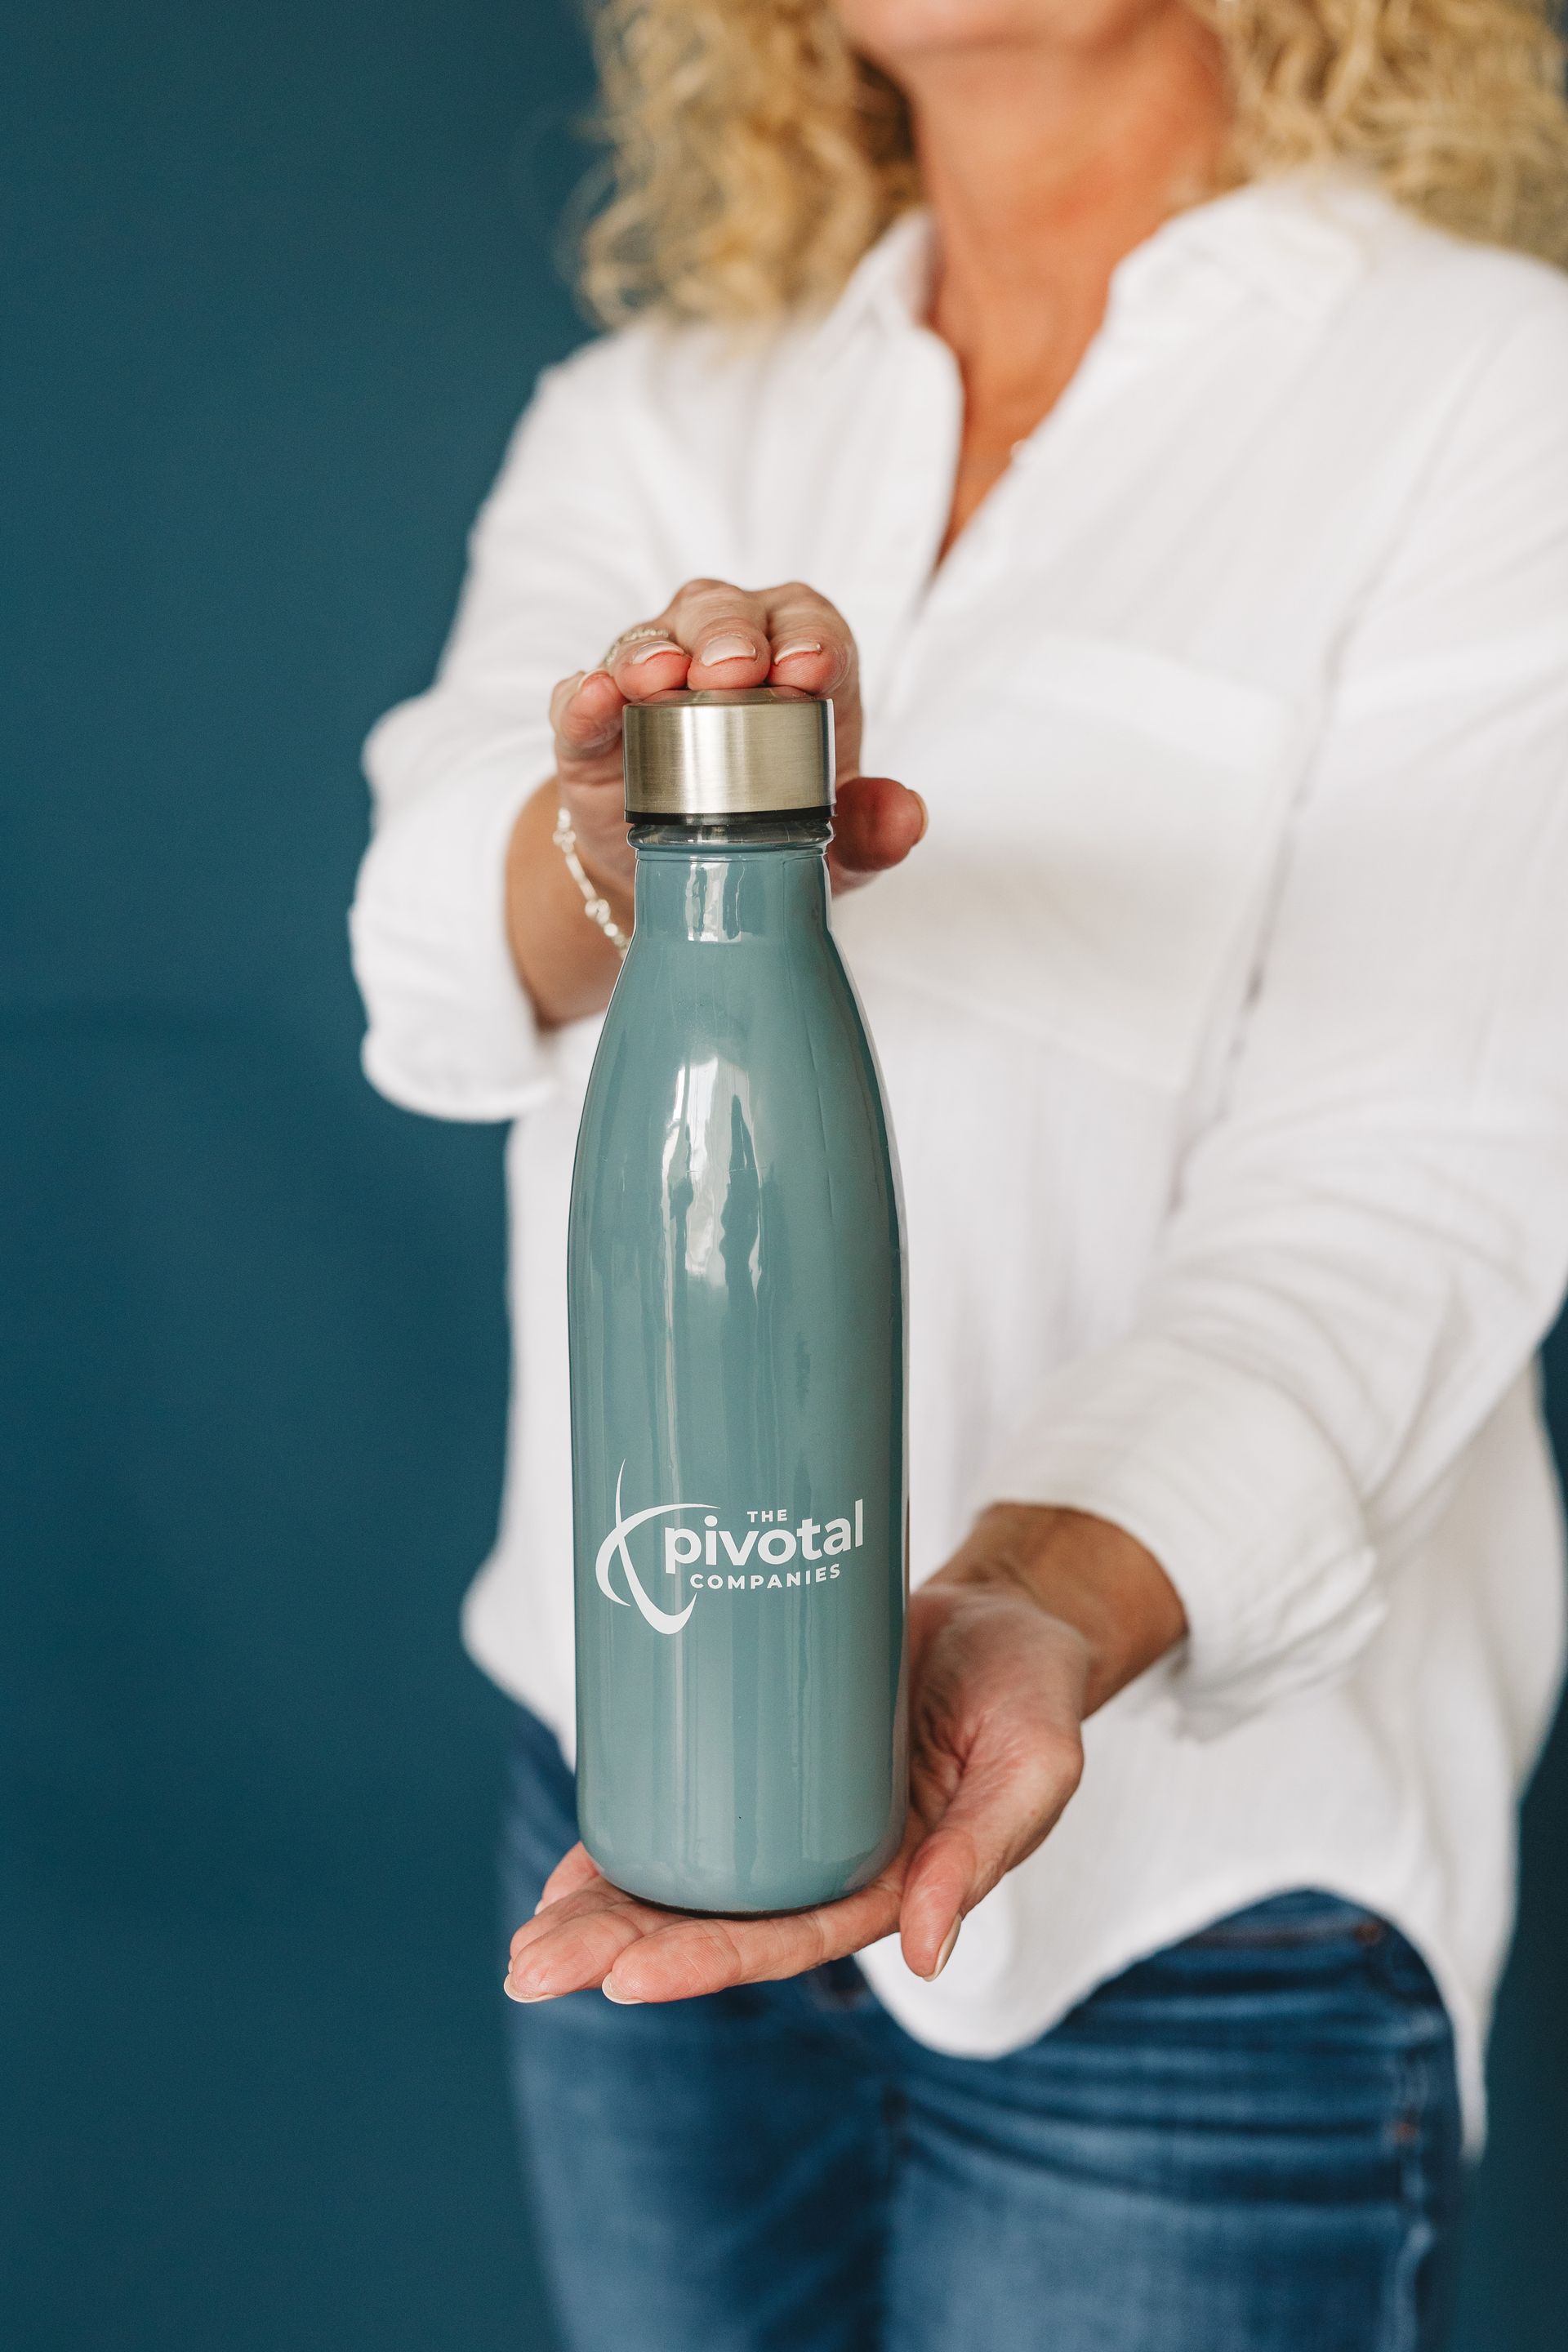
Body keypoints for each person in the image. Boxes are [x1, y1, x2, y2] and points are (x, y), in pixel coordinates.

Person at [349, 0, 1568, 2343]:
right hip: (629, 1755)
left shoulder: (1477, 392)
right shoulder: (665, 411)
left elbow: (1409, 1176)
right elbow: (427, 934)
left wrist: (1026, 1613)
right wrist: (614, 847)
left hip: (1198, 1913)